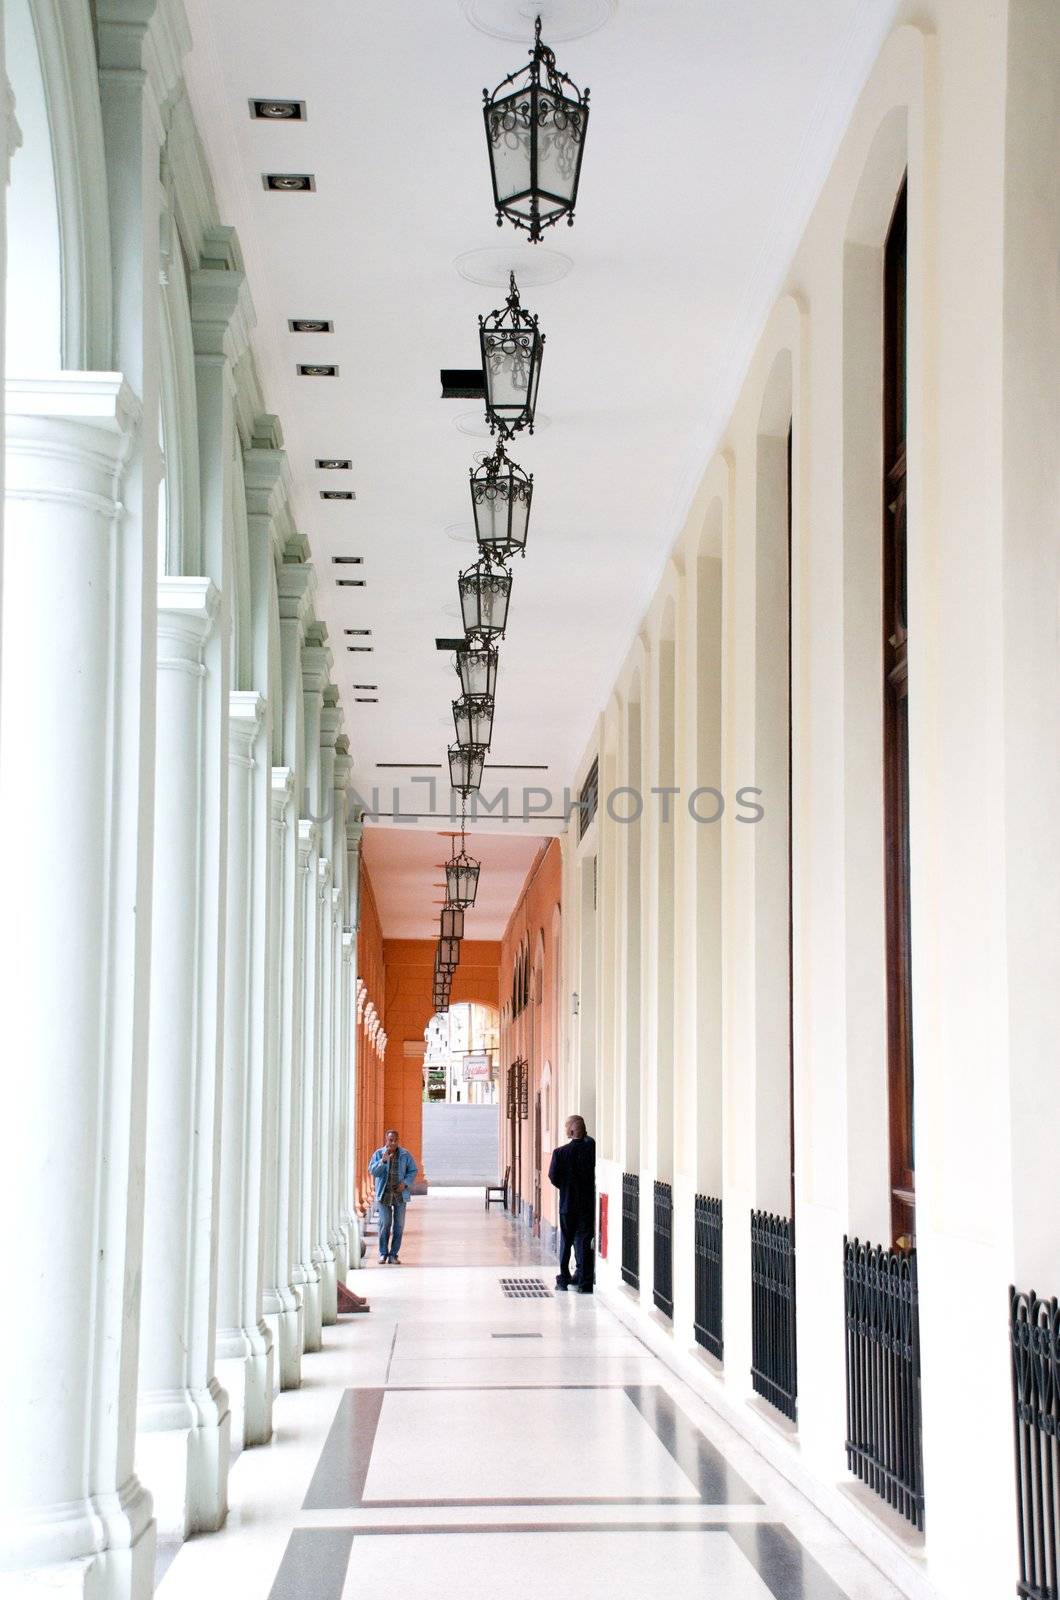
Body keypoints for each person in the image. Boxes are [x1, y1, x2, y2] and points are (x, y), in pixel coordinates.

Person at [548, 1115, 596, 1293]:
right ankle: (584, 1281)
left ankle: (563, 1279)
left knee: (566, 1242)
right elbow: (590, 1141)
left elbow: (553, 1176)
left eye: (567, 1127)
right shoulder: (591, 1149)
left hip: (567, 1205)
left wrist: (565, 1187)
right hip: (585, 1205)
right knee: (583, 1241)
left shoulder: (560, 1153)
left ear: (571, 1131)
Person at [368, 1128, 418, 1264]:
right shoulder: (379, 1154)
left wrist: (405, 1183)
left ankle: (393, 1255)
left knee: (399, 1225)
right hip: (384, 1194)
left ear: (398, 1140)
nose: (393, 1143)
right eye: (391, 1140)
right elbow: (373, 1171)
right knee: (385, 1224)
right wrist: (383, 1162)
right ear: (386, 1140)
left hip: (400, 1195)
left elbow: (413, 1170)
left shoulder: (405, 1155)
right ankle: (383, 1253)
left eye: (395, 1140)